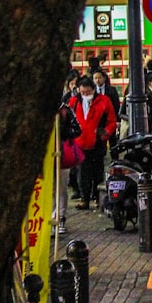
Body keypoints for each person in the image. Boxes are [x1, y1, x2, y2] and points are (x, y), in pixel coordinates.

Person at [69, 75, 117, 210]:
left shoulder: (103, 101)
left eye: (88, 92)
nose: (85, 95)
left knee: (97, 172)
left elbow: (112, 121)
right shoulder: (74, 103)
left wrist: (104, 134)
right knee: (83, 173)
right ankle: (84, 198)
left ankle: (97, 197)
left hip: (97, 143)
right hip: (80, 144)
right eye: (83, 92)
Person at [55, 102, 82, 235]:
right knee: (50, 189)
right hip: (46, 156)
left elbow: (77, 129)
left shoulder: (66, 110)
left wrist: (62, 132)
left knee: (61, 187)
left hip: (62, 154)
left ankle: (60, 218)